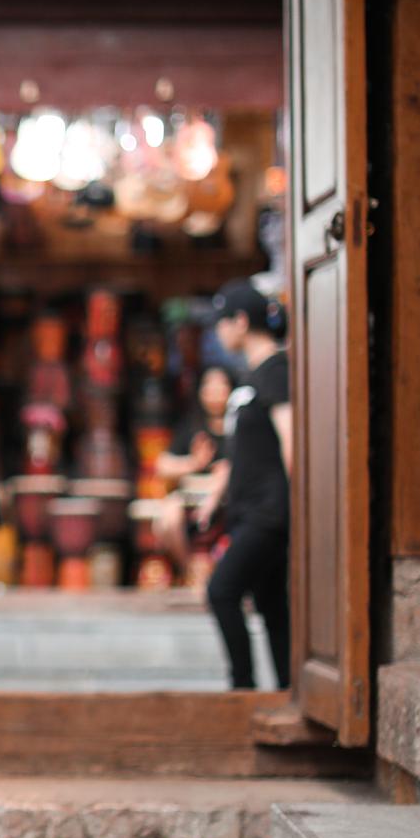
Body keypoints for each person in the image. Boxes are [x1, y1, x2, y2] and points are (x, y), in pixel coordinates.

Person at [193, 279, 292, 691]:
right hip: (248, 510)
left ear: (240, 322)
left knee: (222, 590)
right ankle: (287, 689)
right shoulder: (250, 377)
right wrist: (216, 498)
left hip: (269, 513)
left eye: (221, 323)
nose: (217, 333)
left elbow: (291, 441)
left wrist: (300, 507)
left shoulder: (275, 372)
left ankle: (242, 687)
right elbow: (240, 453)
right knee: (271, 607)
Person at [154, 364, 235, 484]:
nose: (215, 392)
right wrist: (195, 463)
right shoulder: (193, 426)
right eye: (209, 386)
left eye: (220, 386)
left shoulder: (240, 426)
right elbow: (163, 466)